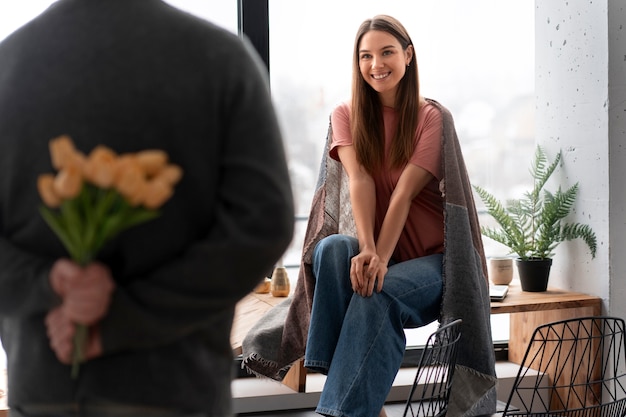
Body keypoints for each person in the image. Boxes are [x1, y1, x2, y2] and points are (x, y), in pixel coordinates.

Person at [0, 1, 294, 416]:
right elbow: (264, 226)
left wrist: (51, 282)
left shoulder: (7, 65)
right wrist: (127, 319)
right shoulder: (220, 58)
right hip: (176, 386)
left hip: (45, 384)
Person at [302, 15, 494, 417]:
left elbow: (404, 193)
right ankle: (359, 397)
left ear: (408, 55)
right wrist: (369, 249)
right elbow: (360, 181)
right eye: (366, 56)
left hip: (438, 263)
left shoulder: (431, 118)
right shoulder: (346, 113)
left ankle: (347, 410)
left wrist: (380, 260)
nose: (377, 64)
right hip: (388, 252)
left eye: (387, 52)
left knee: (378, 293)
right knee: (333, 249)